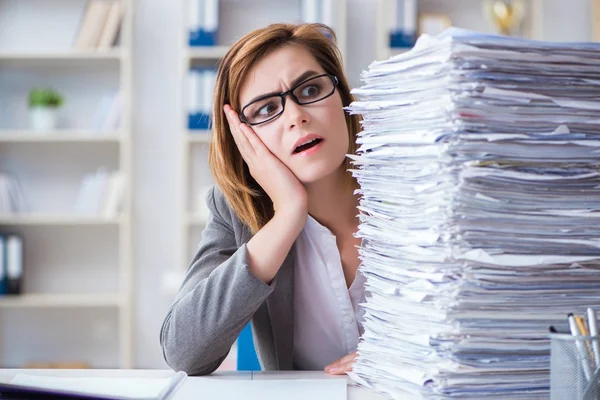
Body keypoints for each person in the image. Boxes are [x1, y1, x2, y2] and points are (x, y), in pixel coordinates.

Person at [160, 22, 365, 377]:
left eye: (311, 88)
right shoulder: (235, 210)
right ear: (242, 138)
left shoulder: (416, 182)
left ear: (342, 97)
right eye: (266, 110)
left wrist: (402, 359)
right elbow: (183, 350)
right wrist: (287, 216)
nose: (296, 116)